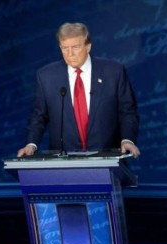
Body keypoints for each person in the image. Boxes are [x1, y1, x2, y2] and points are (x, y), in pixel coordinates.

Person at [17, 22, 140, 157]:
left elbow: (127, 111)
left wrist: (127, 139)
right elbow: (39, 116)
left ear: (88, 46)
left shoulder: (113, 72)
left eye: (75, 47)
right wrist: (31, 144)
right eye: (64, 48)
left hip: (107, 157)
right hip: (63, 162)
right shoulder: (46, 76)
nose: (70, 54)